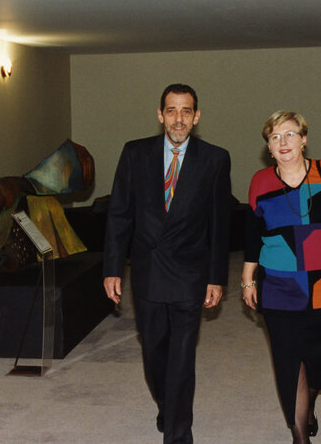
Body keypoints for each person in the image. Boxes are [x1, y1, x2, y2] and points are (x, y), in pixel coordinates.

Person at [103, 83, 231, 444]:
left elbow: (220, 225)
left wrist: (216, 277)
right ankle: (167, 403)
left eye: (186, 111)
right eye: (171, 111)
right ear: (160, 115)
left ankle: (178, 432)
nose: (179, 119)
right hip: (148, 272)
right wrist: (113, 268)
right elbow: (120, 215)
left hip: (190, 273)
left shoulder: (215, 159)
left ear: (196, 117)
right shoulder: (135, 153)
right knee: (155, 352)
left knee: (182, 358)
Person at [241, 111, 321, 444]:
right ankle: (299, 436)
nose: (283, 142)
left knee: (318, 358)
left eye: (290, 134)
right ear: (268, 146)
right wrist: (248, 278)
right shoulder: (260, 182)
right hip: (280, 284)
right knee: (287, 358)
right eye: (275, 137)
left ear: (304, 139)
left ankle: (308, 405)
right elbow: (252, 235)